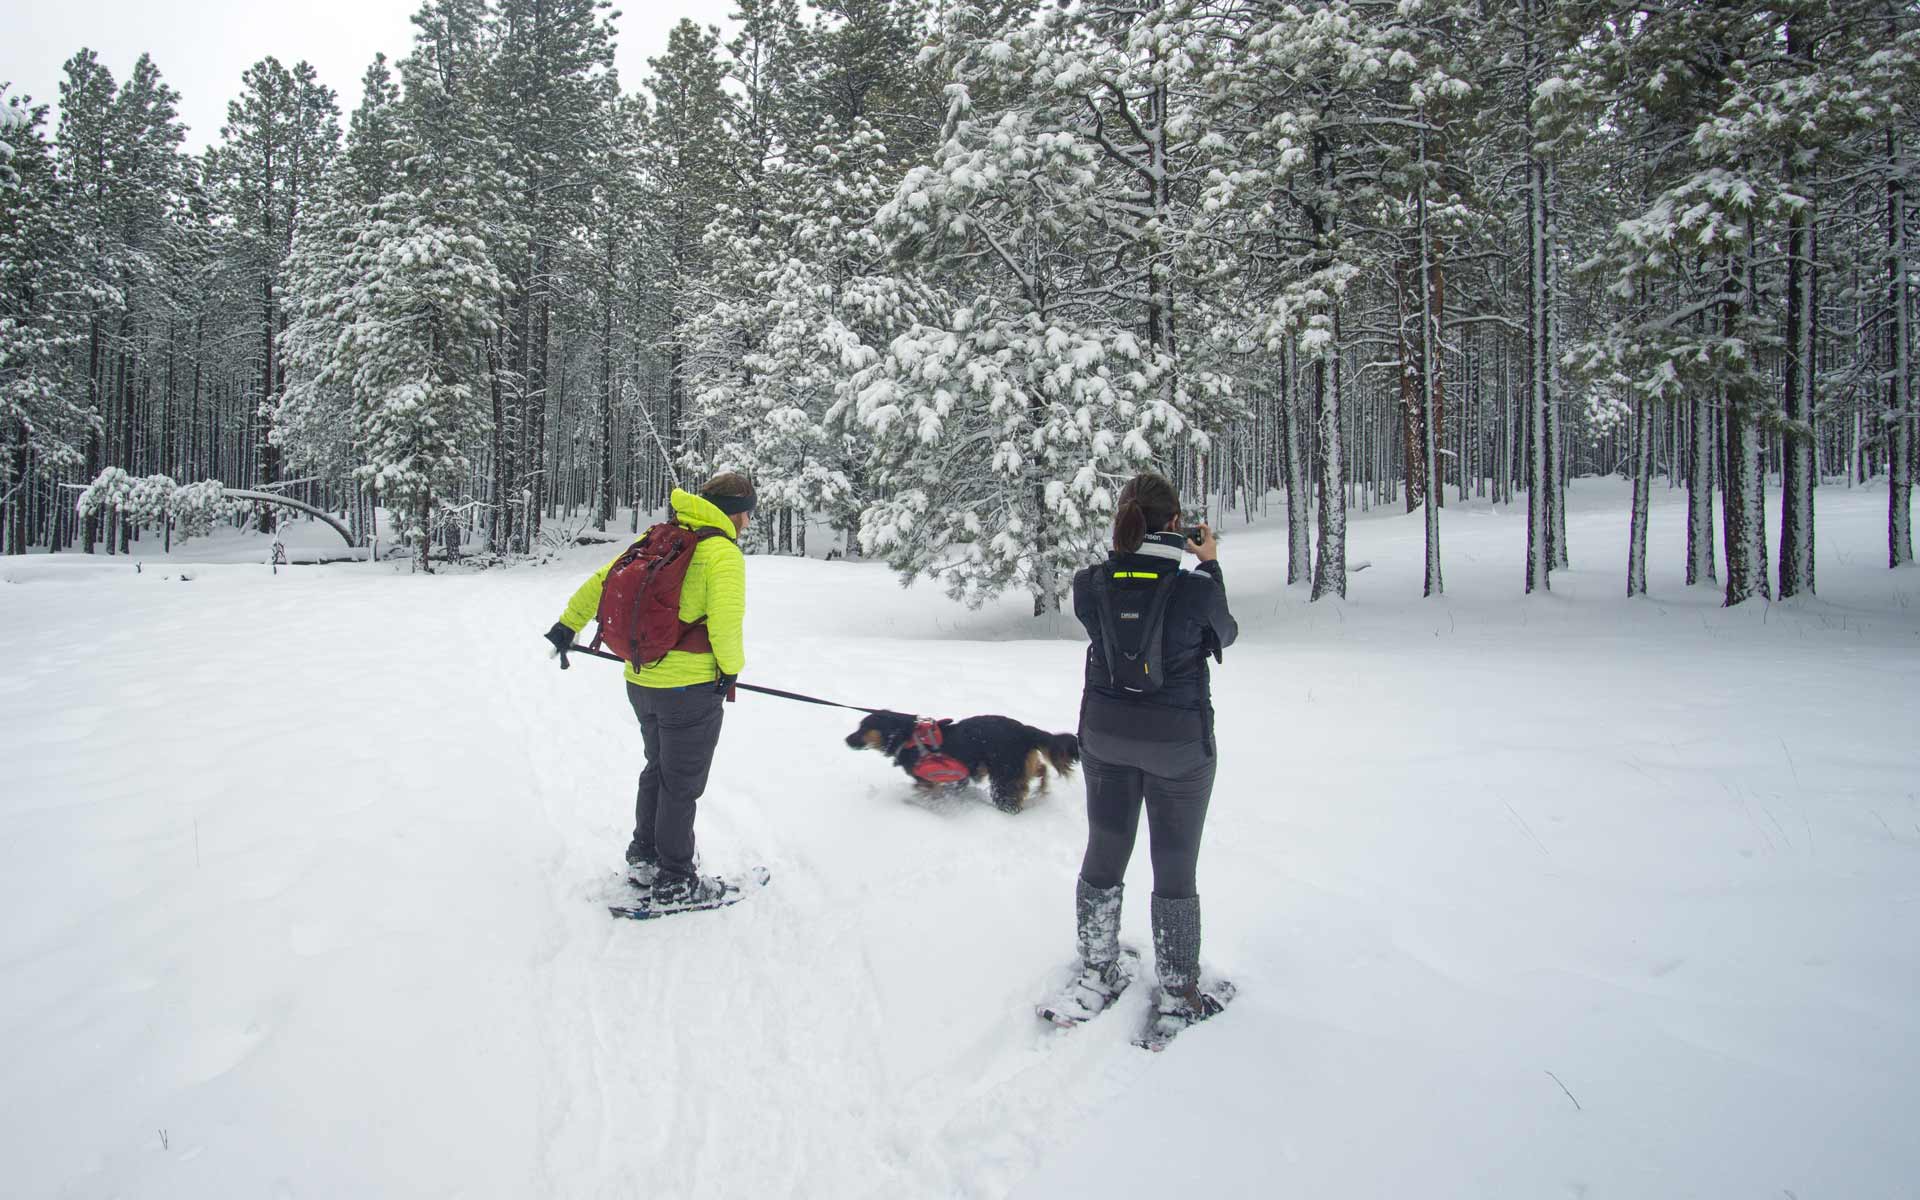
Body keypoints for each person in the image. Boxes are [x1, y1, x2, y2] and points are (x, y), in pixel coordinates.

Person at [1046, 471, 1239, 1033]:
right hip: (1179, 745)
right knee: (1174, 862)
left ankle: (1096, 973)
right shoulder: (1196, 588)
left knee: (1105, 848)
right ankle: (1179, 994)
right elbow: (1223, 634)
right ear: (1176, 523)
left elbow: (1105, 610)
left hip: (1106, 736)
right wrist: (1209, 563)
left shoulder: (1089, 584)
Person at [544, 473, 754, 906]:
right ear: (737, 512)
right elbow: (725, 624)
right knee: (681, 784)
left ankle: (645, 858)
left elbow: (603, 581)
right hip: (690, 689)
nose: (749, 523)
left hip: (640, 682)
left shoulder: (662, 538)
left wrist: (568, 625)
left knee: (657, 769)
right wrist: (730, 671)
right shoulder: (722, 554)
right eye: (749, 513)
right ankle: (676, 879)